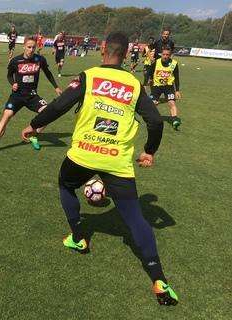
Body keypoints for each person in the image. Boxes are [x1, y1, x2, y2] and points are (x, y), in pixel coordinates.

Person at [21, 32, 178, 306]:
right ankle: (159, 281)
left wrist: (34, 125)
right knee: (136, 220)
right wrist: (149, 151)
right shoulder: (133, 83)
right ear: (127, 52)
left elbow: (59, 105)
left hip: (84, 154)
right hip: (117, 161)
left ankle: (79, 237)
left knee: (66, 184)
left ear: (103, 48)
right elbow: (156, 121)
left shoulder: (89, 76)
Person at [0, 37, 62, 156]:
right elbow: (9, 76)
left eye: (33, 47)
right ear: (24, 47)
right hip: (17, 96)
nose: (31, 50)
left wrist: (56, 87)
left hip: (32, 96)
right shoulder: (16, 61)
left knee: (49, 114)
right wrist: (13, 83)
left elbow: (48, 73)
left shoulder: (39, 59)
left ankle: (32, 135)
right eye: (29, 47)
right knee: (7, 116)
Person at [148, 47, 182, 130]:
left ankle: (174, 120)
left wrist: (177, 90)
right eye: (164, 54)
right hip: (157, 86)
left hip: (168, 87)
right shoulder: (156, 62)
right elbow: (150, 73)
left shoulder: (174, 63)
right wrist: (149, 81)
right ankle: (151, 119)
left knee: (172, 103)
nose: (165, 56)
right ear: (161, 54)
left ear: (170, 55)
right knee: (153, 104)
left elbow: (176, 77)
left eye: (167, 55)